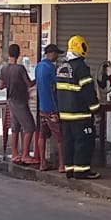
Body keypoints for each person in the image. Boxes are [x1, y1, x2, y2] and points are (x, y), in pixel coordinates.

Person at [56, 35, 102, 179]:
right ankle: (82, 171)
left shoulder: (62, 66)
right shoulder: (81, 68)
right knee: (84, 142)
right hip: (80, 115)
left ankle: (69, 169)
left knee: (68, 143)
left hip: (64, 115)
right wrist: (96, 109)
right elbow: (88, 91)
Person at [0, 44, 36, 165]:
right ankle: (25, 154)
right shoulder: (20, 69)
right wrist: (37, 80)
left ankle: (15, 154)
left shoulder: (4, 69)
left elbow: (1, 86)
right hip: (20, 100)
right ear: (19, 54)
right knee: (30, 127)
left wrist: (9, 83)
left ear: (8, 54)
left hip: (10, 100)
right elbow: (29, 84)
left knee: (15, 128)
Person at [34, 43, 65, 172]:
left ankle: (42, 163)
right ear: (51, 53)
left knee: (42, 135)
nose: (57, 57)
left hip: (42, 107)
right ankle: (62, 165)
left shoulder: (38, 66)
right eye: (56, 54)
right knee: (59, 137)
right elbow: (56, 85)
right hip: (52, 108)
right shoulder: (51, 68)